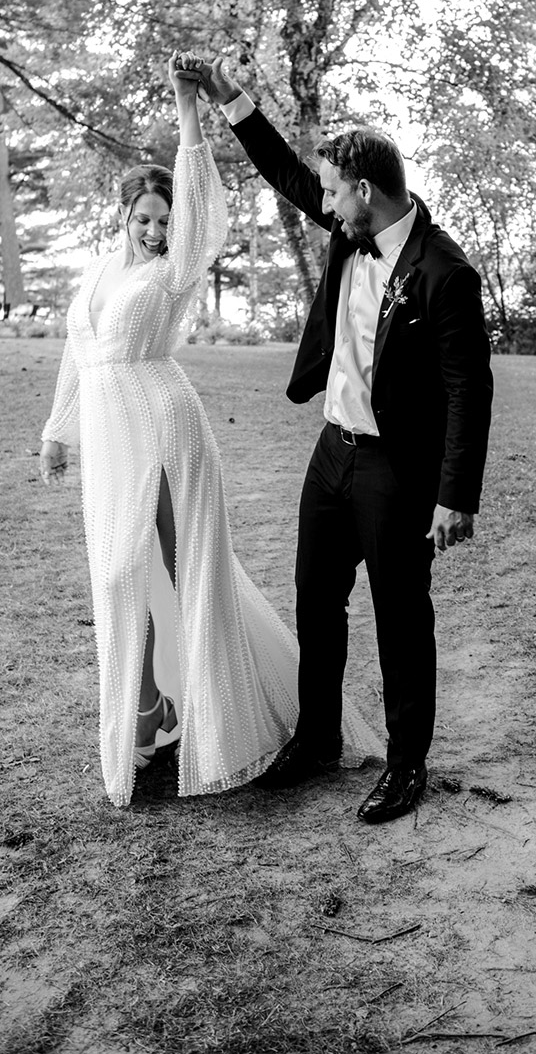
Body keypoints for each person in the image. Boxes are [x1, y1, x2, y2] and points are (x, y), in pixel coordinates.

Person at [39, 55, 380, 808]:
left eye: (165, 219)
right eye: (146, 218)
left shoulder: (174, 270)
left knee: (153, 570)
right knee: (127, 575)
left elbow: (197, 202)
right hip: (109, 435)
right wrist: (56, 431)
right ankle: (154, 713)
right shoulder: (99, 273)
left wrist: (188, 109)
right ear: (124, 215)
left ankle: (196, 716)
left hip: (163, 428)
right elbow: (77, 352)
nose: (158, 229)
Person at [200, 59, 494, 824]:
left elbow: (470, 388)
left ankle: (406, 765)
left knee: (400, 613)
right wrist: (231, 99)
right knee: (316, 599)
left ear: (365, 191)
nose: (324, 203)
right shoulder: (350, 228)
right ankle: (319, 738)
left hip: (398, 469)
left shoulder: (445, 273)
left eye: (335, 192)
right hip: (332, 452)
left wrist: (454, 494)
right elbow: (290, 177)